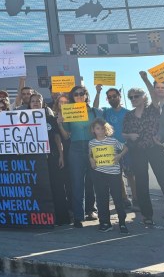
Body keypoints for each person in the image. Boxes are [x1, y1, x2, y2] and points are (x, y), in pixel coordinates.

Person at [122, 87, 164, 228]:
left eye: (136, 96)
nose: (133, 99)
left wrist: (145, 79)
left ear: (144, 97)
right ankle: (147, 216)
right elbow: (124, 133)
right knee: (141, 183)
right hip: (137, 151)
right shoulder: (129, 115)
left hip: (155, 148)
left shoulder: (153, 109)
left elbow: (154, 95)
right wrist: (130, 136)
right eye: (130, 97)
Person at [56, 85, 102, 228]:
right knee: (77, 182)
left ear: (86, 95)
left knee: (92, 181)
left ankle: (91, 210)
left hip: (92, 147)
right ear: (73, 97)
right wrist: (60, 124)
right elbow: (66, 135)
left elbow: (103, 131)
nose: (79, 96)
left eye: (82, 93)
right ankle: (78, 216)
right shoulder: (68, 112)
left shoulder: (96, 112)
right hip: (75, 148)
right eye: (76, 94)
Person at [29, 93, 70, 225]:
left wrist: (61, 155)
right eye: (33, 101)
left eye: (38, 101)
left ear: (42, 103)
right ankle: (42, 218)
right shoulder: (23, 120)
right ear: (29, 104)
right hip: (35, 160)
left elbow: (57, 138)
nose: (35, 103)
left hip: (52, 157)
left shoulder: (50, 119)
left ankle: (62, 218)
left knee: (57, 187)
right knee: (39, 189)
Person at [93, 85, 135, 209]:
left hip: (127, 148)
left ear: (119, 97)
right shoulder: (106, 112)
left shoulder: (128, 113)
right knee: (117, 174)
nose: (112, 98)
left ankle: (136, 199)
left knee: (130, 174)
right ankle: (124, 198)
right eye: (109, 97)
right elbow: (95, 108)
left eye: (114, 96)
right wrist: (98, 92)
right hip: (111, 149)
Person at [88, 118, 129, 234]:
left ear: (106, 129)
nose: (100, 131)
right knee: (101, 199)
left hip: (114, 174)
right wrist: (91, 160)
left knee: (117, 198)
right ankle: (105, 222)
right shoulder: (91, 143)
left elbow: (125, 148)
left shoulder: (113, 141)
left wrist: (119, 156)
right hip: (99, 173)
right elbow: (90, 154)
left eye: (102, 128)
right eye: (97, 128)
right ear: (93, 130)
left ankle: (122, 222)